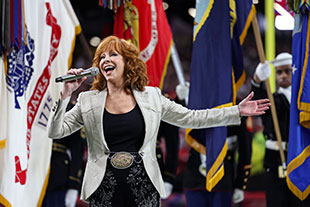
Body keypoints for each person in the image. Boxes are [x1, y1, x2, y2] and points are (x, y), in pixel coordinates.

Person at [48, 35, 270, 207]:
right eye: (102, 57)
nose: (106, 59)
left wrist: (236, 111)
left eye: (113, 55)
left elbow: (192, 117)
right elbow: (56, 132)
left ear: (128, 62)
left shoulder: (152, 96)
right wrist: (65, 95)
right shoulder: (88, 100)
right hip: (103, 188)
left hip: (143, 187)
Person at [252, 52, 310, 206]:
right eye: (279, 72)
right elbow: (257, 100)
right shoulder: (271, 100)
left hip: (301, 157)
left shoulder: (305, 102)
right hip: (276, 158)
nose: (283, 76)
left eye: (287, 71)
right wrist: (257, 81)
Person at [183, 116, 253, 207]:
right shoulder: (196, 104)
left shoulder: (238, 109)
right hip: (195, 175)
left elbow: (245, 151)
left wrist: (240, 184)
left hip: (223, 177)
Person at [43, 102, 85, 207]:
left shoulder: (71, 109)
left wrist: (73, 185)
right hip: (31, 172)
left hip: (57, 177)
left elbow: (77, 151)